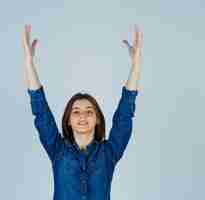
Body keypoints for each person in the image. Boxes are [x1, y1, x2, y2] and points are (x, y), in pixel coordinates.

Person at [22, 24, 143, 200]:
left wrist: (136, 65)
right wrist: (28, 62)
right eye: (76, 112)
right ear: (68, 120)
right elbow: (41, 112)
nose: (83, 116)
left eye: (89, 111)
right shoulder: (58, 150)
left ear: (97, 119)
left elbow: (124, 115)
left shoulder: (108, 153)